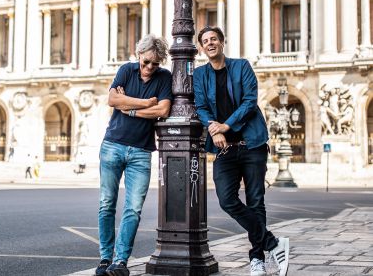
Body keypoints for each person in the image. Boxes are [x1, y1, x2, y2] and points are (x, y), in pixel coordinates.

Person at [193, 26, 290, 276]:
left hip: (252, 145)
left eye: (214, 39)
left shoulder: (242, 66)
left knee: (256, 202)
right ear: (202, 48)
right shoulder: (200, 74)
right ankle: (272, 243)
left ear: (222, 43)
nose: (210, 43)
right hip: (225, 149)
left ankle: (257, 257)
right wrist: (215, 130)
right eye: (205, 41)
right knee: (227, 200)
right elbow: (201, 106)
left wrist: (226, 125)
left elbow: (250, 101)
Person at [95, 34, 172, 276]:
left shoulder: (164, 77)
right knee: (106, 204)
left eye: (155, 64)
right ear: (139, 55)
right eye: (146, 61)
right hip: (112, 145)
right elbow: (112, 99)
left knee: (133, 209)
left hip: (141, 151)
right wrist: (145, 103)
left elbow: (163, 109)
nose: (150, 67)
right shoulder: (126, 70)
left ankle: (120, 262)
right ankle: (105, 259)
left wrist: (129, 109)